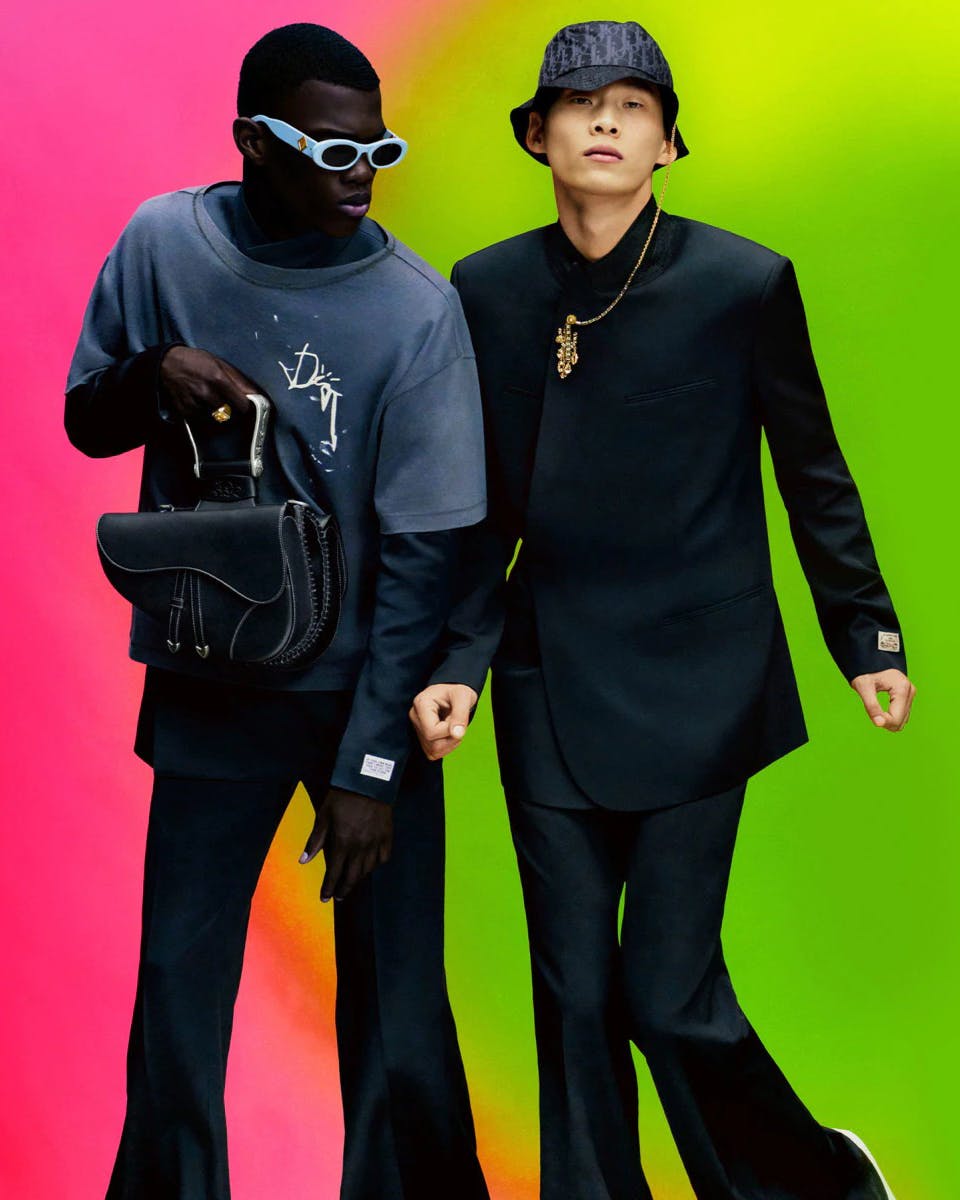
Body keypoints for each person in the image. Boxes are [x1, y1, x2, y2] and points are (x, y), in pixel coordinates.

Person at [410, 19, 912, 1200]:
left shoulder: (744, 284)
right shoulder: (487, 290)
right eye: (580, 104)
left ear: (669, 145)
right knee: (573, 997)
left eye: (634, 106)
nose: (605, 121)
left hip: (704, 678)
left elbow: (814, 472)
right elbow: (478, 504)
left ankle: (820, 1183)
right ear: (536, 135)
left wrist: (865, 635)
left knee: (665, 992)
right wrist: (458, 663)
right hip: (546, 673)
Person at [65, 23, 490, 1200]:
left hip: (366, 694)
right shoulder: (163, 245)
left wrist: (370, 767)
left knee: (399, 1006)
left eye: (379, 150)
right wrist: (154, 374)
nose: (362, 174)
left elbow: (426, 560)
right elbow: (87, 420)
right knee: (178, 993)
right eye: (331, 150)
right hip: (209, 685)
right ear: (253, 141)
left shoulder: (417, 312)